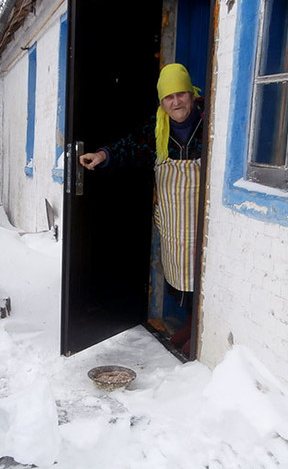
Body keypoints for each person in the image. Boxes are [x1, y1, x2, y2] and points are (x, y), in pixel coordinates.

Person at [79, 63, 204, 355]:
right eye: (168, 97)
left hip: (202, 219)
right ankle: (190, 324)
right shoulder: (157, 128)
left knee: (205, 272)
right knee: (182, 274)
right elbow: (130, 146)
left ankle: (198, 329)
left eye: (181, 94)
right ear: (162, 102)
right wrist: (102, 155)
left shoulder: (208, 122)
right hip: (176, 219)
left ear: (191, 93)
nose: (176, 102)